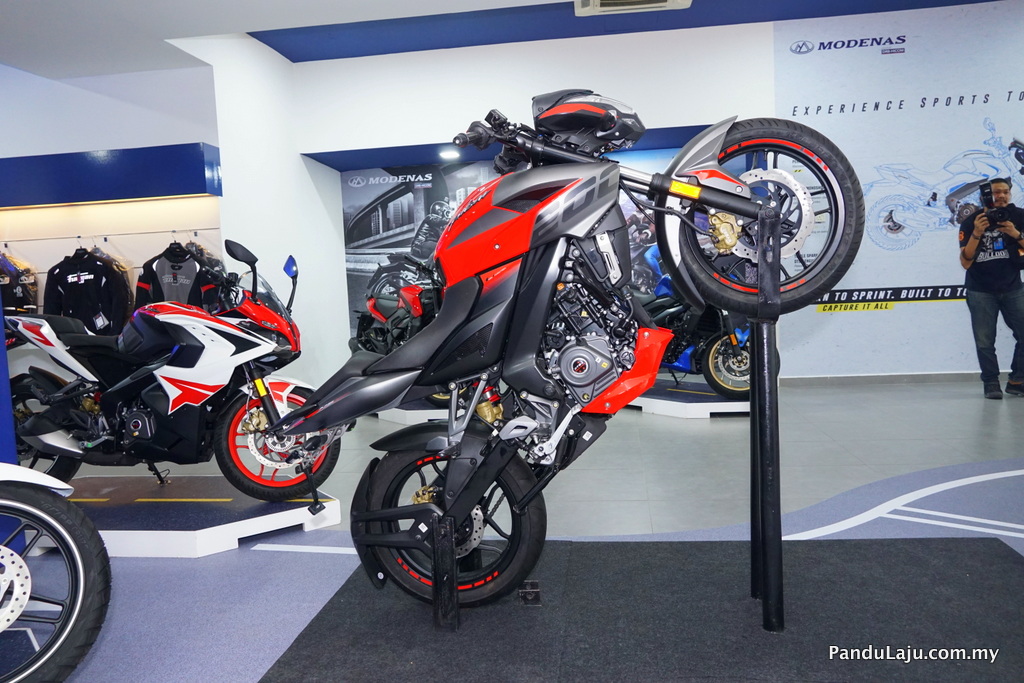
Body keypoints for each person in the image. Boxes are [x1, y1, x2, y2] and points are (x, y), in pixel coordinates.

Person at [959, 177, 1024, 399]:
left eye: (1005, 192)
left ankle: (1017, 380)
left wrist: (1015, 234)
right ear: (986, 196)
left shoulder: (1019, 217)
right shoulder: (971, 222)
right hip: (980, 290)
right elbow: (965, 261)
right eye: (996, 192)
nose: (1001, 196)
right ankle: (991, 383)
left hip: (1013, 287)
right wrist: (977, 232)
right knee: (985, 342)